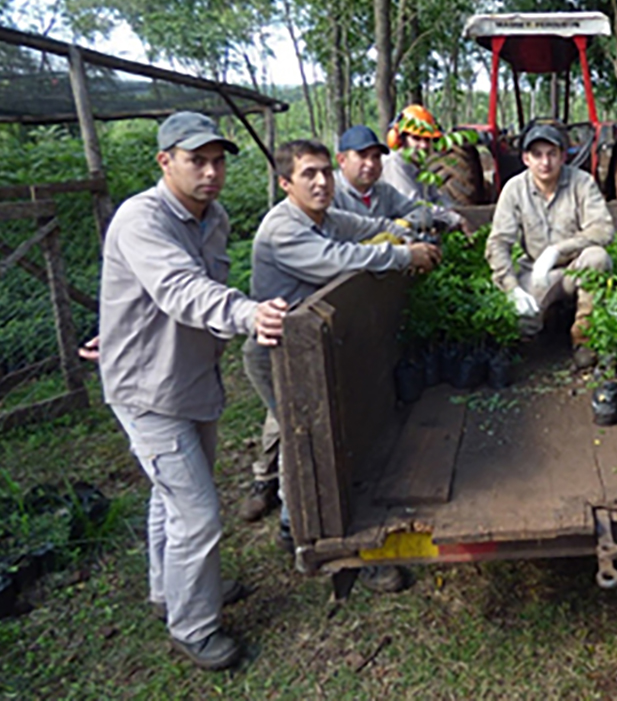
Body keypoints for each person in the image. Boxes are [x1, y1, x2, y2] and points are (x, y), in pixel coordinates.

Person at [95, 111, 288, 670]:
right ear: (165, 162)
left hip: (192, 378)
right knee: (198, 512)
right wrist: (248, 313)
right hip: (146, 388)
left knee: (172, 498)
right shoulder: (142, 218)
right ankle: (193, 627)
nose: (211, 172)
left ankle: (172, 591)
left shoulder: (214, 217)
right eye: (196, 160)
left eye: (218, 161)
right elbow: (181, 288)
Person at [241, 139, 440, 565]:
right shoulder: (283, 229)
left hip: (311, 347)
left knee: (308, 433)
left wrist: (406, 232)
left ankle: (293, 515)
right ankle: (301, 533)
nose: (321, 182)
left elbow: (371, 226)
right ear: (285, 183)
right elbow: (340, 258)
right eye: (308, 174)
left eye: (324, 172)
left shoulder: (328, 217)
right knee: (304, 439)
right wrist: (405, 255)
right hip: (278, 352)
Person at [485, 123, 614, 369]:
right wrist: (511, 288)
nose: (545, 162)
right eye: (537, 155)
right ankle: (538, 339)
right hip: (537, 272)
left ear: (563, 156)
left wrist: (557, 250)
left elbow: (603, 229)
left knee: (598, 258)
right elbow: (498, 242)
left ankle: (584, 338)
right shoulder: (514, 189)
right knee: (524, 323)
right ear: (526, 159)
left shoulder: (582, 182)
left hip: (576, 267)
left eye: (552, 154)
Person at [379, 104, 467, 232]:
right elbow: (414, 205)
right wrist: (453, 219)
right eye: (416, 138)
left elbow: (436, 196)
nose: (424, 145)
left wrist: (452, 209)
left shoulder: (420, 165)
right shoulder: (395, 164)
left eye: (427, 139)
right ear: (401, 139)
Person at [330, 124, 427, 230]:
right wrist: (388, 228)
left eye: (376, 157)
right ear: (342, 160)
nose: (370, 164)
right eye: (362, 155)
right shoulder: (329, 191)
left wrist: (406, 223)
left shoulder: (385, 191)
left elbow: (422, 212)